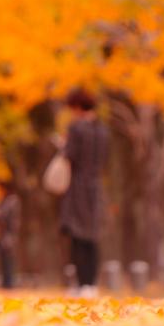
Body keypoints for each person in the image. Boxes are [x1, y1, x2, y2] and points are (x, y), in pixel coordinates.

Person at [60, 88, 109, 297]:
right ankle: (92, 284)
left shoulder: (76, 128)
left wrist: (63, 145)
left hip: (78, 185)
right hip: (96, 186)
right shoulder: (103, 131)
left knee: (78, 234)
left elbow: (70, 155)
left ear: (78, 107)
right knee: (92, 235)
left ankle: (81, 284)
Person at [0, 181, 21, 289]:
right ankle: (5, 282)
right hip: (2, 234)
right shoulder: (3, 201)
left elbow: (5, 216)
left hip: (9, 234)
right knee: (3, 258)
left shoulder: (12, 201)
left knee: (8, 258)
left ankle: (9, 283)